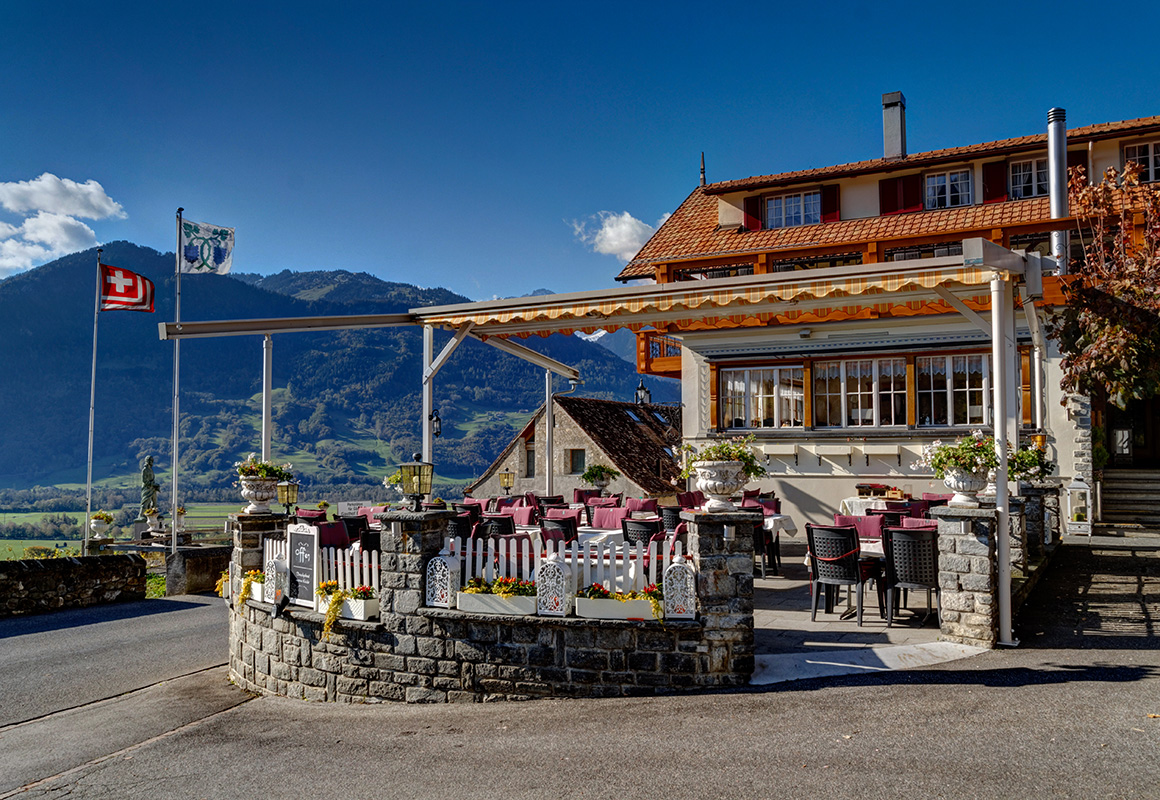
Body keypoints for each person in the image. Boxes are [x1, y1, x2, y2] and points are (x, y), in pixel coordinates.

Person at [138, 456, 161, 522]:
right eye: (151, 461)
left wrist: (155, 486)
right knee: (146, 501)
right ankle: (141, 515)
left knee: (154, 501)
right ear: (148, 461)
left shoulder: (150, 469)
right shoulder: (145, 470)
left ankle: (154, 514)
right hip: (147, 488)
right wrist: (153, 484)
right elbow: (144, 481)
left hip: (152, 488)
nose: (152, 462)